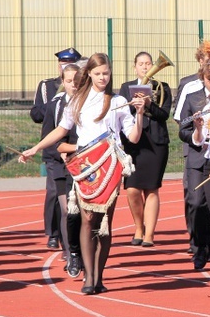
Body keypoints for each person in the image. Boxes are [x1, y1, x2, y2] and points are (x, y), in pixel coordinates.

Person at [20, 53, 145, 295]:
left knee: (105, 223)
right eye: (98, 74)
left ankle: (99, 276)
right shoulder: (77, 100)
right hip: (85, 166)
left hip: (109, 166)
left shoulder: (118, 101)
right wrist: (35, 148)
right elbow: (61, 129)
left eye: (106, 74)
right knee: (88, 220)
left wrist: (139, 114)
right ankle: (89, 277)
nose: (102, 78)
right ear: (88, 74)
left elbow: (133, 137)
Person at [178, 57, 210, 274]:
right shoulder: (192, 97)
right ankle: (199, 247)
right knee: (197, 203)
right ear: (203, 78)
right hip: (198, 157)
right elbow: (182, 130)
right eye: (209, 79)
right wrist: (196, 130)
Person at [31, 47, 82, 250]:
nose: (64, 65)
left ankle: (72, 244)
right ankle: (53, 234)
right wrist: (55, 103)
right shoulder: (47, 86)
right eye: (62, 62)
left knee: (73, 203)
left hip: (75, 153)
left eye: (69, 62)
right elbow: (37, 115)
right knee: (55, 194)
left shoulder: (82, 91)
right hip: (54, 152)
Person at [119, 52, 171, 247]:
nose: (145, 67)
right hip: (134, 143)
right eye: (141, 63)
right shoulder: (126, 87)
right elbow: (123, 112)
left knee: (152, 189)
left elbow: (164, 115)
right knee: (132, 189)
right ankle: (138, 227)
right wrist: (134, 106)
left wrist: (149, 104)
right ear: (135, 67)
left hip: (156, 143)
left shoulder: (162, 87)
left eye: (148, 63)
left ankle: (149, 233)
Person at [40, 64, 81, 263]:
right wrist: (60, 151)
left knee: (81, 210)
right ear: (62, 82)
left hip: (83, 160)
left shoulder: (88, 103)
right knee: (66, 209)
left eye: (76, 80)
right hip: (59, 163)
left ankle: (80, 247)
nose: (73, 84)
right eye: (68, 81)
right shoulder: (55, 105)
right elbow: (49, 134)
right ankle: (69, 250)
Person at [173, 47, 209, 254]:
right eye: (206, 59)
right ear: (199, 61)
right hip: (193, 145)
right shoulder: (188, 84)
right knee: (193, 196)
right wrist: (197, 121)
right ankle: (194, 238)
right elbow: (180, 118)